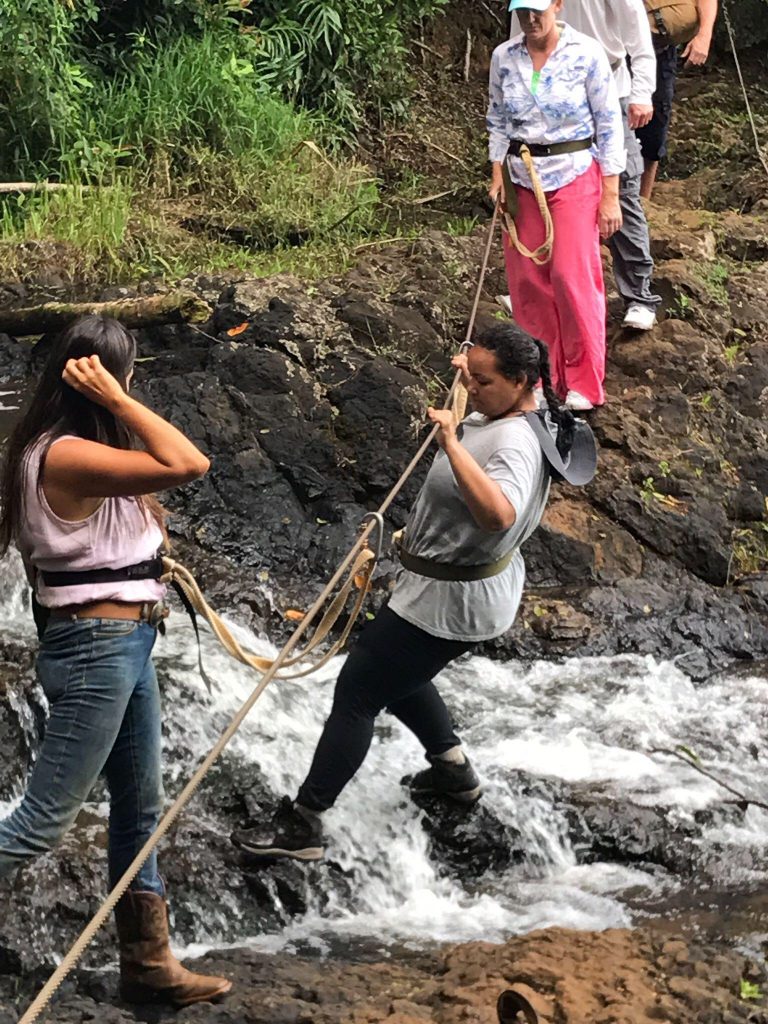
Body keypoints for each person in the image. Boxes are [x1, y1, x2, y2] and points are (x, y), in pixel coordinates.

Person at [230, 323, 576, 862]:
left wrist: (450, 445)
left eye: (483, 380)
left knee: (359, 692)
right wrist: (468, 381)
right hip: (451, 589)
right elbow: (480, 390)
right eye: (471, 372)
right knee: (400, 671)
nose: (471, 385)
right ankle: (453, 771)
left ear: (522, 381)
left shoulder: (513, 441)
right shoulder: (517, 413)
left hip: (452, 599)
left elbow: (497, 514)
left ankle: (305, 824)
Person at [0, 316, 230, 1007]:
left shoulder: (82, 448)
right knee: (42, 822)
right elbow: (190, 463)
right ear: (99, 384)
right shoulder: (64, 454)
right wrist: (121, 401)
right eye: (125, 375)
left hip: (127, 640)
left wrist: (114, 407)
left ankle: (149, 963)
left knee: (141, 810)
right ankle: (148, 963)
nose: (133, 385)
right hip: (97, 647)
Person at [489, 0, 625, 412]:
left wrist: (611, 193)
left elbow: (608, 123)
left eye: (538, 10)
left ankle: (584, 380)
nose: (530, 19)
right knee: (528, 282)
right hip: (522, 177)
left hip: (574, 171)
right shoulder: (504, 57)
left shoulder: (586, 53)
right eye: (522, 11)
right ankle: (543, 378)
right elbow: (497, 118)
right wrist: (496, 173)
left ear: (557, 5)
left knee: (570, 276)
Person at [545, 0, 662, 331]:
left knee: (622, 189)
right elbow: (520, 38)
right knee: (554, 187)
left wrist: (641, 93)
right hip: (556, 95)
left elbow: (639, 39)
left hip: (612, 88)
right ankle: (551, 287)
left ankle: (639, 296)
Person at [637, 0, 719, 199]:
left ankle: (644, 203)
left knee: (654, 130)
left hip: (660, 49)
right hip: (616, 50)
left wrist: (704, 35)